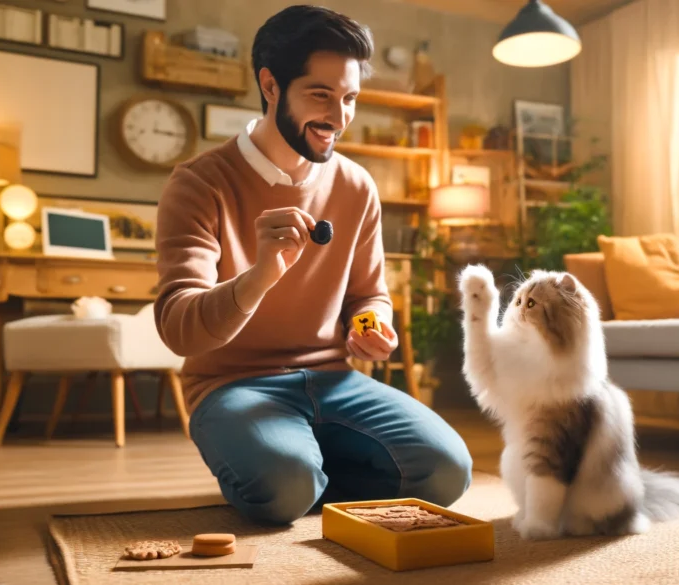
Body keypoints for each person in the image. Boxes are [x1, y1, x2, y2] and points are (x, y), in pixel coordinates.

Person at [153, 5, 472, 525]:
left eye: (349, 98)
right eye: (320, 95)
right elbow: (178, 329)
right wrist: (259, 277)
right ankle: (292, 473)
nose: (339, 116)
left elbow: (367, 295)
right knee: (283, 486)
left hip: (335, 380)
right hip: (232, 385)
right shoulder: (198, 184)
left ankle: (303, 474)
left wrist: (371, 325)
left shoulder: (356, 186)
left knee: (447, 471)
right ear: (271, 85)